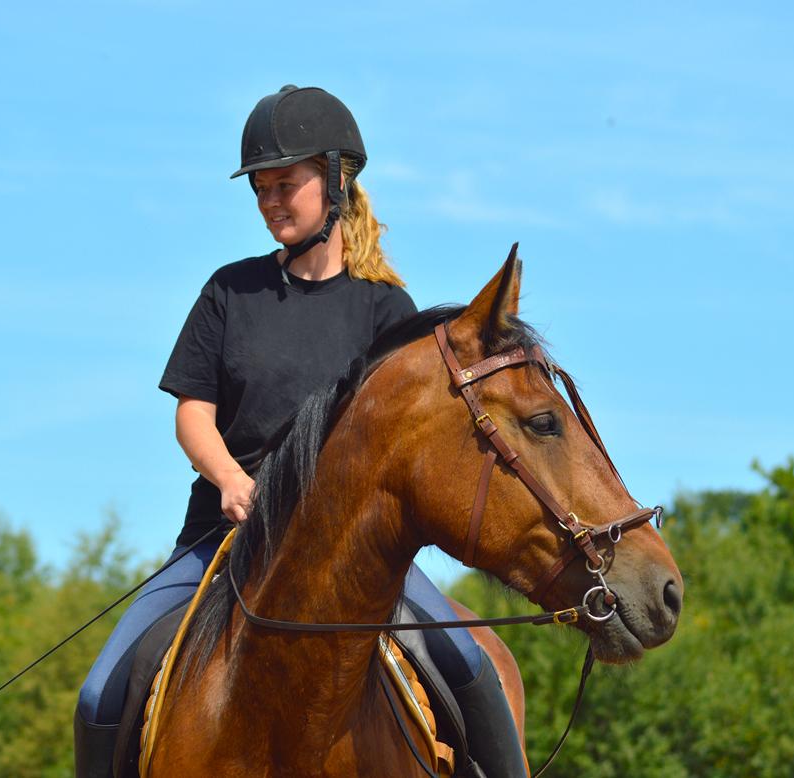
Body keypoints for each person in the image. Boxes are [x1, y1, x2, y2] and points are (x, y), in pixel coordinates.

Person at [74, 85, 525, 777]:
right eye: (261, 189)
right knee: (100, 694)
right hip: (219, 540)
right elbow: (192, 413)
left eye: (285, 184)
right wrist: (230, 479)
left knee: (472, 666)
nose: (270, 202)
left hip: (354, 554)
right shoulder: (230, 292)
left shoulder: (386, 311)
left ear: (336, 181)